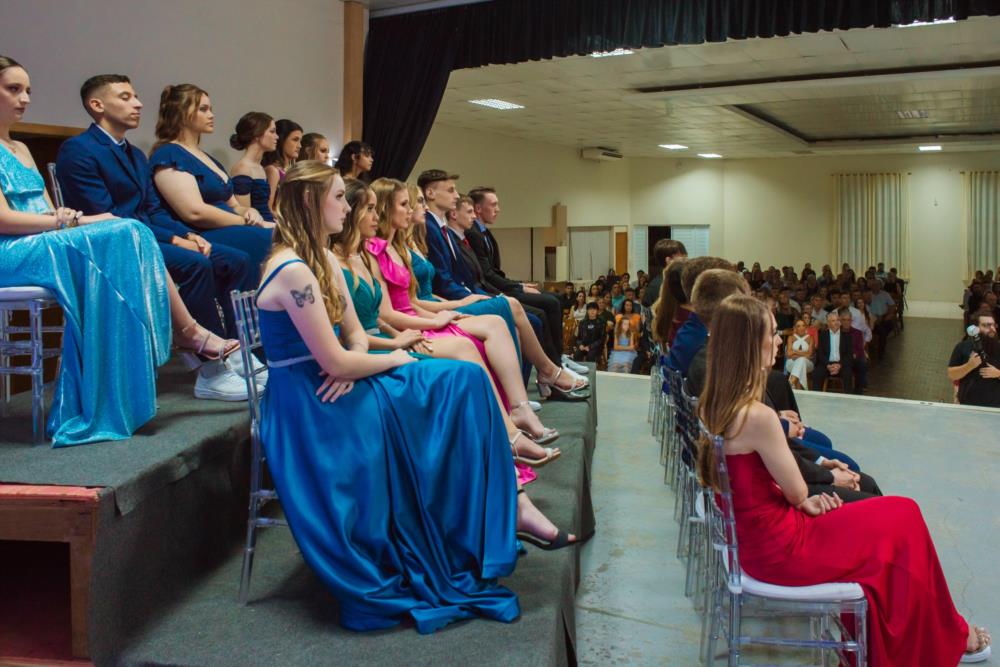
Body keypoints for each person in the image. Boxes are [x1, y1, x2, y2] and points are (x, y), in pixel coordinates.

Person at [254, 162, 577, 634]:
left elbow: (356, 338)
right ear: (309, 203)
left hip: (340, 381)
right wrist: (394, 361)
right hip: (312, 404)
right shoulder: (293, 270)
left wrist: (361, 357)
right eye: (340, 197)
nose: (347, 207)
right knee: (452, 383)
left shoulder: (322, 258)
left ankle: (506, 507)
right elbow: (339, 363)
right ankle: (503, 510)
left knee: (464, 381)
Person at [698, 293, 991, 665]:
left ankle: (939, 630)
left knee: (900, 519)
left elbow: (766, 483)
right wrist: (805, 498)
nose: (779, 341)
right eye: (772, 334)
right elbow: (796, 489)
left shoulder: (715, 402)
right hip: (781, 548)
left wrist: (802, 498)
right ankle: (945, 635)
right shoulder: (757, 416)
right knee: (905, 518)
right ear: (749, 343)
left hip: (755, 540)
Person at [0, 56, 173, 444]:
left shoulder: (22, 149)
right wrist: (68, 222)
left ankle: (119, 391)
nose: (25, 97)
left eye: (28, 89)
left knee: (129, 230)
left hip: (41, 239)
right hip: (9, 250)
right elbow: (4, 220)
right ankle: (110, 391)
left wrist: (66, 218)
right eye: (14, 89)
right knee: (124, 231)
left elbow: (47, 210)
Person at [331, 179, 555, 476]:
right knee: (493, 324)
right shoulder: (356, 255)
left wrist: (438, 315)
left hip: (396, 330)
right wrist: (411, 333)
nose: (413, 210)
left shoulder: (368, 254)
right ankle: (513, 425)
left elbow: (394, 308)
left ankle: (514, 420)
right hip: (386, 337)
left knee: (502, 318)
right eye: (405, 204)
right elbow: (379, 318)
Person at [56, 73, 253, 402]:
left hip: (147, 236)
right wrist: (177, 241)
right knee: (194, 265)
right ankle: (209, 370)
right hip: (112, 244)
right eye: (125, 97)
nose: (138, 103)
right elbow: (107, 218)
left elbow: (152, 211)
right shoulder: (78, 150)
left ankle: (235, 351)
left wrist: (187, 233)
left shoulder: (135, 155)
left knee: (235, 260)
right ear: (97, 105)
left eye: (135, 96)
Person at [402, 183, 588, 401]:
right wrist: (455, 305)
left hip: (445, 301)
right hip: (439, 306)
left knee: (529, 309)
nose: (424, 207)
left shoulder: (416, 242)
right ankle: (545, 375)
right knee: (514, 308)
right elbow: (413, 299)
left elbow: (434, 289)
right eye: (415, 203)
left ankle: (542, 376)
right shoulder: (424, 238)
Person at [149, 84, 274, 287]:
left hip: (230, 224)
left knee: (286, 235)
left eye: (211, 109)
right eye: (203, 109)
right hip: (204, 232)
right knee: (269, 240)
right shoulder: (169, 154)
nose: (212, 115)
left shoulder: (209, 159)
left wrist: (248, 211)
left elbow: (234, 204)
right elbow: (194, 212)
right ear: (182, 114)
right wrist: (243, 222)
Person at [465, 186, 573, 374]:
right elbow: (488, 274)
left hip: (498, 285)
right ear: (478, 209)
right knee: (546, 306)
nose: (498, 209)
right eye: (493, 204)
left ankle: (558, 357)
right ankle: (554, 365)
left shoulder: (485, 232)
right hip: (493, 290)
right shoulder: (473, 233)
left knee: (554, 299)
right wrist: (518, 288)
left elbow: (495, 271)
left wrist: (520, 285)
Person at [230, 111, 278, 222]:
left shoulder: (260, 168)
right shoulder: (242, 168)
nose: (277, 136)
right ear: (257, 134)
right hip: (258, 227)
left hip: (268, 222)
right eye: (272, 132)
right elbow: (246, 214)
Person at [948, 313, 1000, 408]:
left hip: (996, 408)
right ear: (975, 329)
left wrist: (998, 373)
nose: (992, 328)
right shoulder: (962, 347)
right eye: (986, 325)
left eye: (993, 325)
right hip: (967, 406)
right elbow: (952, 375)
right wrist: (969, 366)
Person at [262, 118, 303, 209]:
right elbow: (268, 208)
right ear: (282, 140)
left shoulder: (293, 170)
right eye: (295, 140)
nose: (299, 146)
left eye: (300, 141)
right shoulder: (273, 170)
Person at [813, 310, 854, 392]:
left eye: (838, 320)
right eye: (833, 321)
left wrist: (839, 365)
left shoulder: (847, 336)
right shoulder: (823, 335)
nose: (836, 323)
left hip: (841, 363)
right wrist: (828, 365)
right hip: (826, 364)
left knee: (848, 374)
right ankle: (816, 399)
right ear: (828, 323)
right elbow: (820, 354)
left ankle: (849, 400)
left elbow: (849, 355)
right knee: (817, 373)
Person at [642, 239, 688, 309]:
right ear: (669, 260)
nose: (687, 260)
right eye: (683, 257)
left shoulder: (683, 280)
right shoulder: (659, 285)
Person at [784, 318, 814, 390]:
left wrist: (794, 352)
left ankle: (791, 382)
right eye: (798, 326)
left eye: (803, 325)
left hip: (808, 364)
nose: (801, 328)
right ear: (795, 328)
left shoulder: (810, 338)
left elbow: (810, 354)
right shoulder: (790, 338)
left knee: (801, 360)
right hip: (791, 363)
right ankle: (798, 388)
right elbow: (788, 353)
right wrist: (804, 354)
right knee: (801, 360)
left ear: (806, 327)